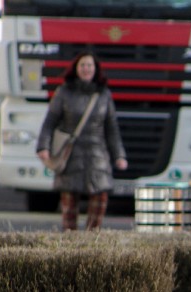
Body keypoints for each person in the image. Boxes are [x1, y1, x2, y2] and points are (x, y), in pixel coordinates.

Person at [37, 51, 127, 230]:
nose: (86, 69)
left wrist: (119, 155)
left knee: (100, 197)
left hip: (97, 155)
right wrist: (43, 147)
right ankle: (71, 245)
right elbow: (50, 122)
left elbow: (112, 129)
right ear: (76, 68)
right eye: (83, 65)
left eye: (90, 65)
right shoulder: (64, 92)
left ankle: (92, 242)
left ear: (96, 69)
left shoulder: (104, 94)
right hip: (71, 154)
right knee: (69, 203)